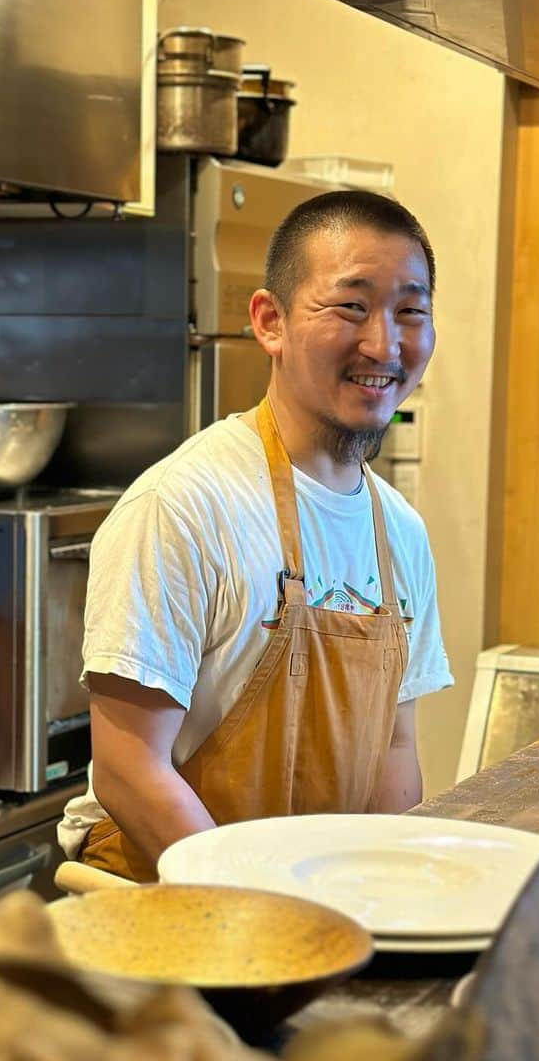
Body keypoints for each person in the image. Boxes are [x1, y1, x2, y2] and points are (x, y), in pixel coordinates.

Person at [58, 189, 453, 880]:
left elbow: (394, 749)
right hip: (174, 919)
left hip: (330, 910)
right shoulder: (183, 507)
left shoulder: (401, 534)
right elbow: (128, 769)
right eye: (351, 306)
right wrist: (261, 913)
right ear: (270, 321)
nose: (384, 343)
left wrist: (387, 902)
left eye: (410, 311)